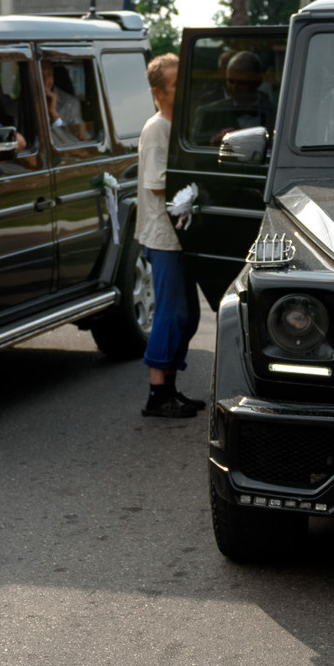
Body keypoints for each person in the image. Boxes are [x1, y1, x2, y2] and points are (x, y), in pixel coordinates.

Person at [136, 51, 202, 418]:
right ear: (158, 92)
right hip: (164, 238)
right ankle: (157, 393)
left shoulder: (176, 126)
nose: (183, 90)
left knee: (188, 315)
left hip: (177, 237)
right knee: (171, 313)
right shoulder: (158, 128)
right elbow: (159, 184)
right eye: (177, 85)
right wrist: (198, 189)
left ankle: (170, 387)